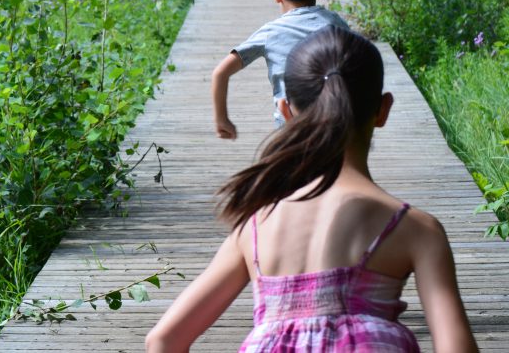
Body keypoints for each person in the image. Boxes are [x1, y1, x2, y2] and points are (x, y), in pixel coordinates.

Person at [146, 27, 477, 353]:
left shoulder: (255, 228)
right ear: (382, 110)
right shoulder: (415, 230)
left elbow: (164, 340)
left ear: (286, 111)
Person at [212, 0, 348, 139]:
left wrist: (222, 119)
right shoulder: (337, 24)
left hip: (290, 125)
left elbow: (220, 73)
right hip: (335, 122)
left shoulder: (270, 33)